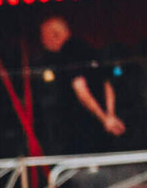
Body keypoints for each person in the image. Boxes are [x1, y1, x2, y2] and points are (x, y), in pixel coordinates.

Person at [35, 15, 126, 156]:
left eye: (43, 36)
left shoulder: (67, 54)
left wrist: (105, 119)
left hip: (82, 128)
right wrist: (110, 114)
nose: (42, 42)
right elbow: (106, 84)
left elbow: (80, 89)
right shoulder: (88, 49)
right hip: (101, 129)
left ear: (54, 35)